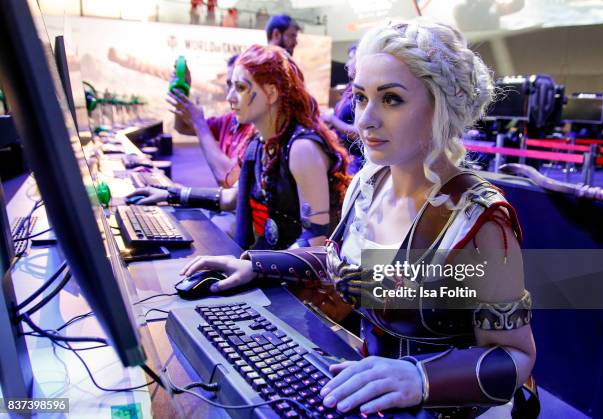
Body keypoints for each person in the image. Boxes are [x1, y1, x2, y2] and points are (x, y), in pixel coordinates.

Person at [180, 19, 538, 418]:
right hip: (367, 391)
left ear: (443, 105)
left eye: (391, 99)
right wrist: (254, 264)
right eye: (363, 97)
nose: (365, 119)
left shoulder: (479, 219)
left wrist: (418, 378)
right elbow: (342, 265)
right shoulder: (369, 182)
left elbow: (515, 356)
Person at [131, 45, 350, 252]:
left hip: (299, 285)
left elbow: (316, 240)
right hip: (269, 267)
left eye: (241, 88)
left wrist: (255, 266)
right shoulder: (258, 144)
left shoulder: (302, 148)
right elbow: (232, 198)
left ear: (271, 93)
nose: (229, 97)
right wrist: (170, 194)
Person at [168, 54, 255, 189]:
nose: (229, 96)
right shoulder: (229, 120)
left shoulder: (258, 130)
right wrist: (182, 93)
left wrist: (199, 122)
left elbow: (228, 179)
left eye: (240, 86)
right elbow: (182, 127)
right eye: (229, 84)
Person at [322, 45, 362, 174]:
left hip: (357, 163)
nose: (347, 63)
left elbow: (359, 133)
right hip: (345, 159)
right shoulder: (350, 88)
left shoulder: (363, 93)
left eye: (351, 58)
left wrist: (332, 120)